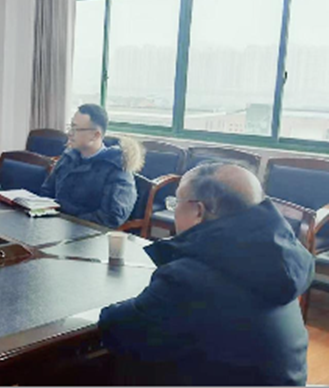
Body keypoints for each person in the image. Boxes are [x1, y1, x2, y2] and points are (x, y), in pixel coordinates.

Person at [99, 163, 313, 386]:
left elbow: (121, 330)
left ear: (198, 211)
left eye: (176, 203)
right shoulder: (277, 259)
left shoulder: (187, 279)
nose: (174, 211)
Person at [40, 104, 141, 228]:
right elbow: (47, 192)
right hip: (56, 227)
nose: (70, 133)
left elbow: (111, 217)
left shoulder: (117, 167)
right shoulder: (68, 157)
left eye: (76, 129)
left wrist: (67, 223)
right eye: (70, 127)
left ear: (96, 135)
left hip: (88, 233)